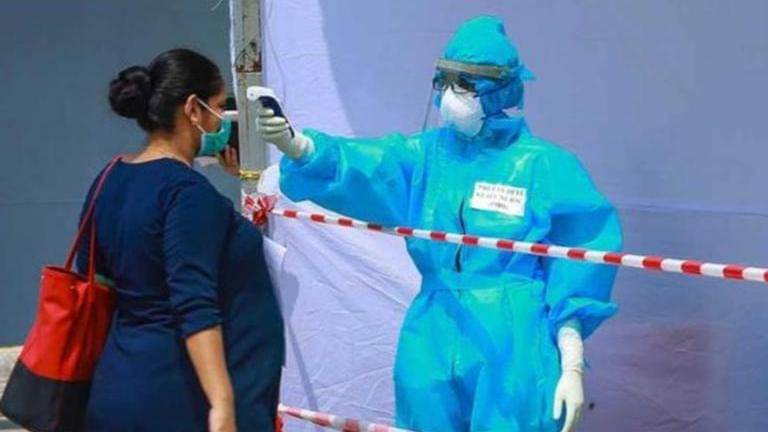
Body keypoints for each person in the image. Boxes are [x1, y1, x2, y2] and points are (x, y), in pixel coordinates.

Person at [258, 16, 622, 432]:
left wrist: (572, 362)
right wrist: (302, 147)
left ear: (501, 89)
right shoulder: (427, 157)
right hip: (432, 323)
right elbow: (370, 163)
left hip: (512, 334)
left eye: (466, 83)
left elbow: (582, 259)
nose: (451, 94)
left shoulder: (545, 166)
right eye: (445, 81)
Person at [77, 48, 284, 431]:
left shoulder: (109, 179)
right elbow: (194, 303)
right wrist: (222, 404)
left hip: (117, 383)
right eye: (218, 107)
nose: (222, 120)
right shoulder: (187, 194)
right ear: (193, 109)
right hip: (177, 398)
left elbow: (94, 275)